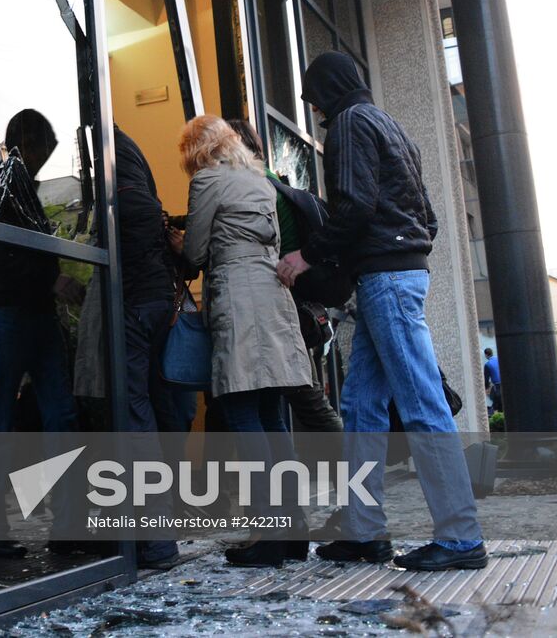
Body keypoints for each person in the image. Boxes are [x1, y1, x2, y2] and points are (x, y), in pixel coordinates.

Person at [278, 52, 487, 572]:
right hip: (393, 275)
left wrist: (307, 255)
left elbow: (353, 206)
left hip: (386, 281)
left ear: (327, 90)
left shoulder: (350, 124)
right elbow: (430, 220)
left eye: (313, 97)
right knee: (362, 407)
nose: (312, 107)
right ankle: (364, 531)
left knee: (421, 404)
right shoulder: (392, 127)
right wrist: (394, 259)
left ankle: (461, 539)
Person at [173, 115, 314, 568]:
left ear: (197, 151)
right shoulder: (260, 181)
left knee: (239, 410)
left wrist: (175, 240)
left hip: (237, 297)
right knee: (272, 414)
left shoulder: (208, 180)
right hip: (273, 296)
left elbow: (195, 254)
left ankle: (269, 535)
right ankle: (292, 531)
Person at [0, 110, 82, 558]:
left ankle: (59, 523)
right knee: (13, 418)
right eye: (43, 151)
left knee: (50, 416)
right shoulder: (7, 184)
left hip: (24, 313)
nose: (43, 161)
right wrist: (52, 283)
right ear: (29, 144)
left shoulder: (16, 186)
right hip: (14, 312)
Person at [227, 119, 344, 435]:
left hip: (279, 307)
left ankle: (357, 467)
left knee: (305, 397)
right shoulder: (273, 181)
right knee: (276, 400)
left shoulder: (255, 189)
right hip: (290, 306)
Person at [111, 124, 183, 570]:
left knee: (136, 417)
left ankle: (156, 541)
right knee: (154, 412)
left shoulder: (122, 185)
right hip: (157, 302)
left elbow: (131, 242)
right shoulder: (139, 176)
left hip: (136, 304)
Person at [483, 348, 503, 416]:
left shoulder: (487, 365)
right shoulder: (499, 359)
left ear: (486, 355)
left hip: (497, 386)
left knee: (497, 404)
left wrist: (485, 388)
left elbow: (486, 379)